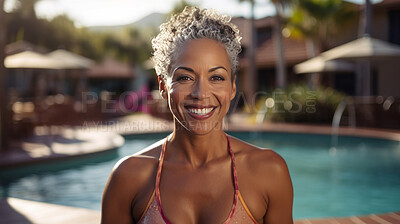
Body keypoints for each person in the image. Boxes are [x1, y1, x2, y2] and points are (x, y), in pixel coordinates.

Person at [101, 6, 293, 224]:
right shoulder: (129, 177)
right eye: (185, 78)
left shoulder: (268, 171)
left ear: (232, 87)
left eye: (217, 78)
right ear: (163, 86)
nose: (201, 94)